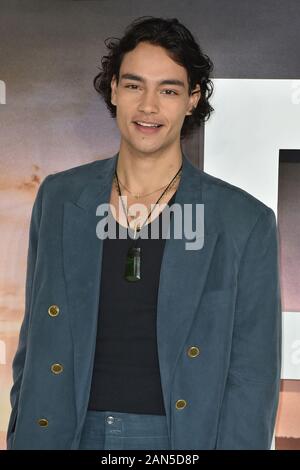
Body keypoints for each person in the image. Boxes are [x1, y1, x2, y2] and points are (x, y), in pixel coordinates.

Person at [7, 16, 281, 450]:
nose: (148, 106)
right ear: (113, 89)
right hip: (64, 431)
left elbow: (253, 375)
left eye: (168, 90)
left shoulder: (243, 221)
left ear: (193, 99)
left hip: (177, 439)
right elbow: (36, 338)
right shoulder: (60, 198)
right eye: (135, 85)